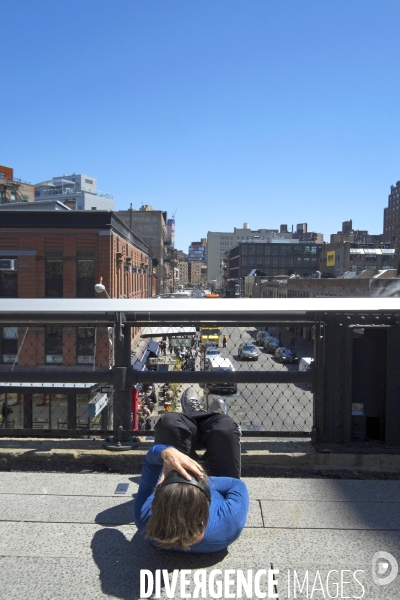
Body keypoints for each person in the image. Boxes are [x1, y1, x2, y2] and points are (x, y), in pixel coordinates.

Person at [134, 388, 249, 553]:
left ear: (158, 508)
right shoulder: (228, 524)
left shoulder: (147, 522)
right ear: (203, 522)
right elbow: (236, 485)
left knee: (169, 422)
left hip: (184, 478)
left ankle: (195, 414)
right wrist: (197, 478)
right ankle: (211, 416)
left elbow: (150, 463)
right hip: (218, 481)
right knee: (225, 428)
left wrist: (167, 454)